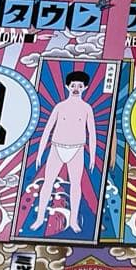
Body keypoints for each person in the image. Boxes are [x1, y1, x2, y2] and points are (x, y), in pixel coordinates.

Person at [31, 70, 97, 233]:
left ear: (85, 87)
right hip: (56, 147)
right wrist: (40, 152)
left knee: (76, 185)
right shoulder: (60, 107)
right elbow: (47, 129)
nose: (76, 88)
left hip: (77, 149)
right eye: (73, 85)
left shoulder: (87, 108)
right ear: (67, 86)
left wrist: (93, 156)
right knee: (48, 183)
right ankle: (39, 219)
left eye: (80, 86)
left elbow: (92, 133)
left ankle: (73, 220)